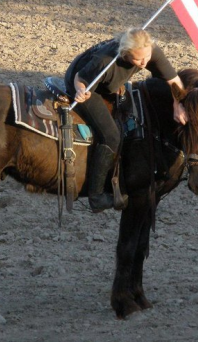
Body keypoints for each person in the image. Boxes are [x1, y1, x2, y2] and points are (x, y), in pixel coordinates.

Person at [65, 28, 188, 212]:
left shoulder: (150, 52)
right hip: (89, 87)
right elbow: (79, 78)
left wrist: (178, 105)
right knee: (111, 135)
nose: (144, 62)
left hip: (110, 84)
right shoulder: (105, 61)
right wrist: (81, 90)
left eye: (146, 57)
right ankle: (96, 195)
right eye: (138, 59)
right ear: (125, 54)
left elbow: (174, 82)